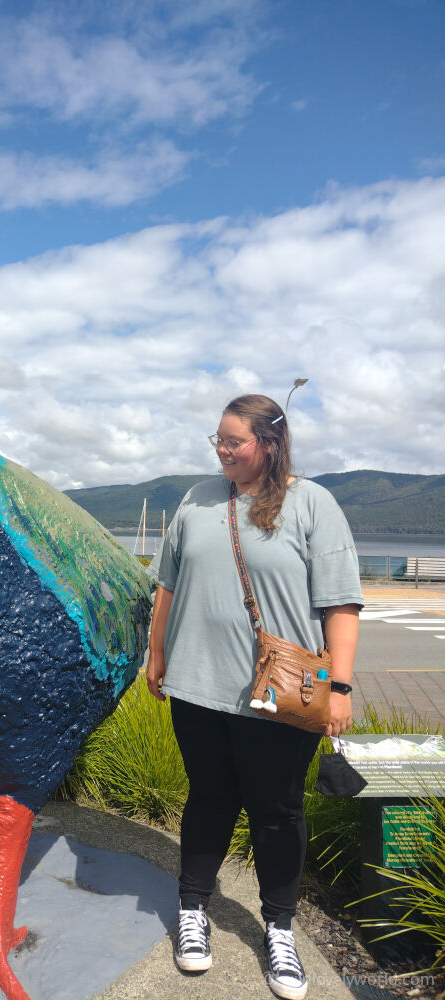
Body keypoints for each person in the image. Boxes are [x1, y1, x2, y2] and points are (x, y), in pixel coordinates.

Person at [146, 393, 362, 1000]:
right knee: (209, 799)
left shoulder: (312, 503)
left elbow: (340, 603)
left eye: (233, 441)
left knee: (277, 812)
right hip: (197, 686)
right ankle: (193, 910)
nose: (221, 450)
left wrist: (339, 687)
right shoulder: (197, 499)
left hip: (284, 693)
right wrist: (157, 654)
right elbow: (168, 583)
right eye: (216, 439)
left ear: (269, 444)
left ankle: (280, 928)